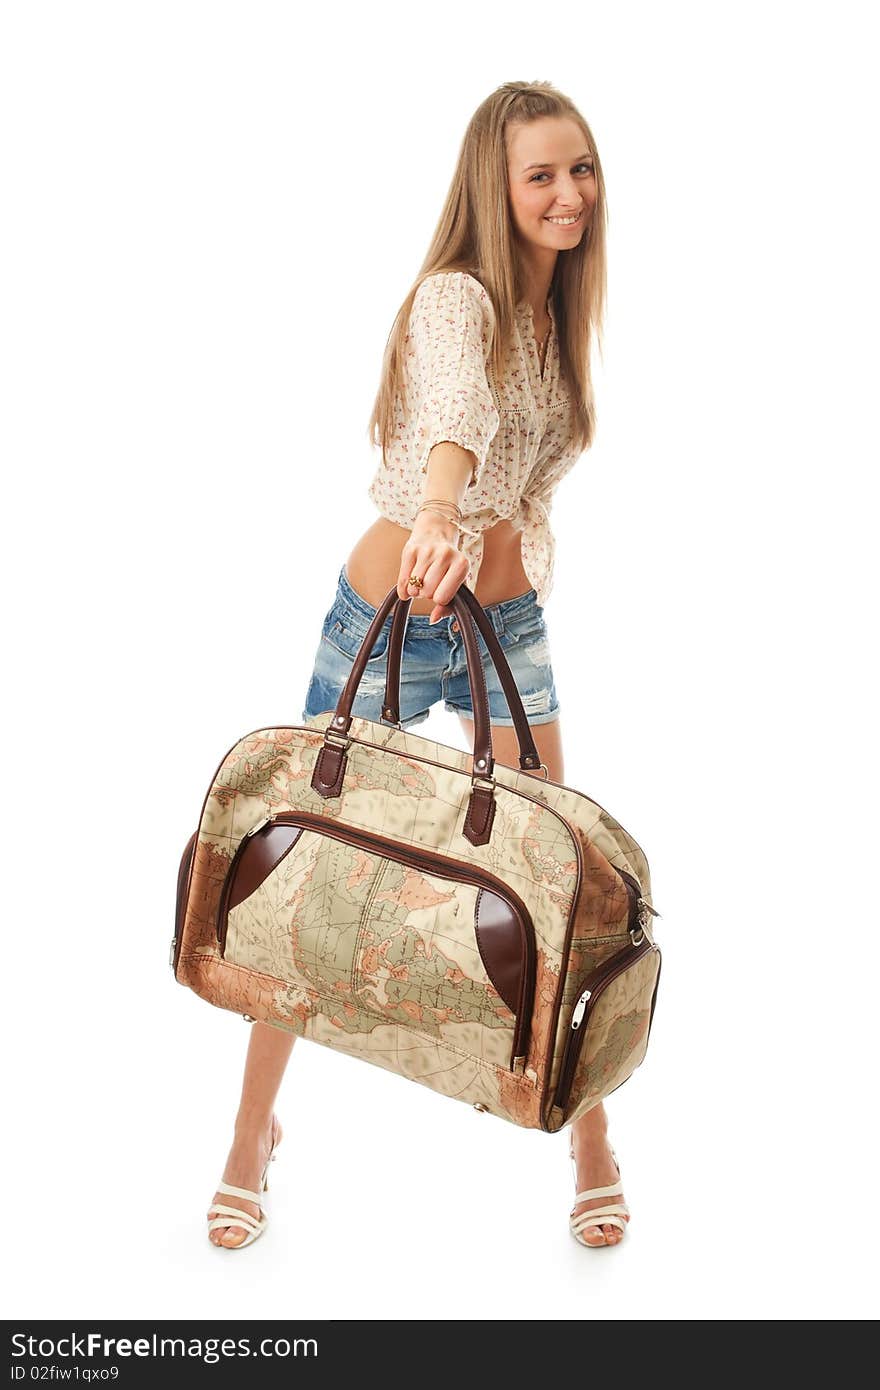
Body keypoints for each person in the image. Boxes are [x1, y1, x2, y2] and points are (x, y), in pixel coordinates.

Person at [207, 80, 631, 1251]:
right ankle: (251, 1136)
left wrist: (501, 554)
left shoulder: (561, 321)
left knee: (562, 872)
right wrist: (441, 511)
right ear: (495, 189)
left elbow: (524, 483)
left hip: (499, 617)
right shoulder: (457, 299)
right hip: (394, 610)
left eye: (580, 169)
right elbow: (452, 419)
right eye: (540, 174)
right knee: (306, 871)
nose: (566, 194)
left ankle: (589, 1137)